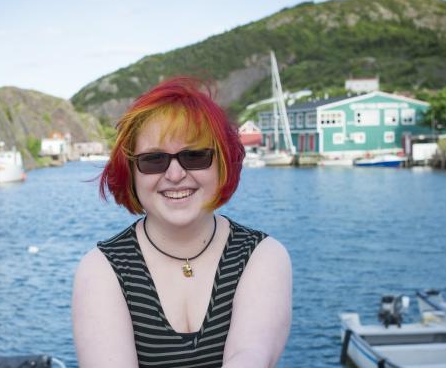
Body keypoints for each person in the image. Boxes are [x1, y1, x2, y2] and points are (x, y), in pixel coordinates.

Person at [72, 77, 292, 367]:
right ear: (131, 173)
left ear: (223, 164)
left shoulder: (261, 256)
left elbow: (250, 356)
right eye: (154, 159)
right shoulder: (102, 269)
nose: (175, 174)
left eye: (195, 156)